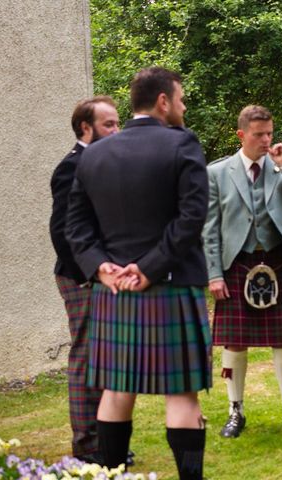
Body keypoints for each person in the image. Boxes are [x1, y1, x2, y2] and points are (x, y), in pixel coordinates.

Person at [65, 67, 212, 480]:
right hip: (171, 285)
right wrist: (149, 269)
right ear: (163, 101)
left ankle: (111, 475)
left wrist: (101, 267)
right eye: (180, 99)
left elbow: (75, 226)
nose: (183, 107)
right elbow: (191, 217)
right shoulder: (182, 144)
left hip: (115, 293)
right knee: (181, 394)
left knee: (115, 391)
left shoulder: (93, 153)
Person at [203, 104, 282, 439]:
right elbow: (210, 229)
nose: (266, 140)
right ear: (241, 135)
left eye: (269, 133)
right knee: (234, 343)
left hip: (277, 260)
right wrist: (214, 273)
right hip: (237, 263)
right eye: (258, 135)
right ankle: (235, 410)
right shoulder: (217, 173)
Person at [49, 96, 119, 463]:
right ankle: (87, 446)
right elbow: (61, 232)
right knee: (86, 356)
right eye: (109, 125)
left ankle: (107, 442)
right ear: (85, 129)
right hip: (81, 277)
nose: (117, 131)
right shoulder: (71, 168)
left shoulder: (103, 165)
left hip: (104, 277)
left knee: (106, 357)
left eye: (117, 123)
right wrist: (90, 273)